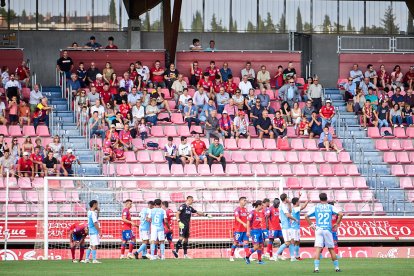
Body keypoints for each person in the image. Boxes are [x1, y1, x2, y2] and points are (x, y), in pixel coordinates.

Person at [305, 193, 343, 273]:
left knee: (318, 249)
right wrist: (337, 223)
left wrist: (311, 225)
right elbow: (341, 214)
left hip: (318, 229)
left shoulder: (316, 207)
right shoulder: (330, 207)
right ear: (327, 198)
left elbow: (306, 216)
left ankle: (316, 269)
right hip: (327, 230)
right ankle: (337, 268)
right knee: (331, 249)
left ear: (320, 199)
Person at [275, 193, 296, 261]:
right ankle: (276, 254)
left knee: (292, 241)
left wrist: (289, 203)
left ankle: (292, 257)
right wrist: (295, 219)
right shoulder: (282, 206)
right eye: (287, 198)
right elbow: (288, 215)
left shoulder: (285, 205)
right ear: (285, 198)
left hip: (288, 226)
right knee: (287, 242)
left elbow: (290, 211)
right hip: (286, 226)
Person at [244, 200, 265, 265]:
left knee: (260, 246)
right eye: (261, 205)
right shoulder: (252, 213)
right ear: (258, 205)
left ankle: (259, 260)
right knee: (256, 246)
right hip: (254, 231)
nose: (262, 206)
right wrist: (248, 231)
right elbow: (248, 221)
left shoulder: (260, 213)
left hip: (260, 230)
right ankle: (247, 257)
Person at [229, 197, 249, 262]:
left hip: (245, 230)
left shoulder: (246, 210)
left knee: (246, 243)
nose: (245, 202)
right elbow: (237, 218)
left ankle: (247, 257)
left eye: (246, 201)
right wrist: (243, 223)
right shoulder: (237, 209)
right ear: (240, 201)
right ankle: (231, 256)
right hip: (238, 230)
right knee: (235, 243)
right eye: (244, 200)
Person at [290, 194, 309, 261]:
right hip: (295, 228)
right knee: (296, 242)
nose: (299, 202)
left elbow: (296, 202)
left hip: (294, 227)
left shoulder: (294, 208)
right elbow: (303, 207)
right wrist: (307, 200)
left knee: (297, 241)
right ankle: (294, 256)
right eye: (298, 201)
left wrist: (299, 197)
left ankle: (295, 256)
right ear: (296, 203)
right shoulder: (296, 208)